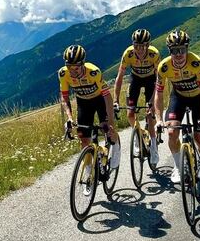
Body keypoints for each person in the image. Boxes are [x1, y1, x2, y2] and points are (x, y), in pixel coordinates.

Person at [154, 29, 200, 185]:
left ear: (187, 49)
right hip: (178, 97)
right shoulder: (163, 67)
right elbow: (158, 93)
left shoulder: (196, 63)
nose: (179, 54)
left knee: (199, 137)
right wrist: (158, 119)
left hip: (196, 98)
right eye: (174, 50)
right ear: (169, 51)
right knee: (172, 132)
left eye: (182, 50)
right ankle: (178, 167)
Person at [58, 45, 118, 195]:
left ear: (83, 64)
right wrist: (70, 118)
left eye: (76, 67)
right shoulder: (63, 74)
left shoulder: (93, 72)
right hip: (83, 103)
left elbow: (107, 96)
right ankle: (89, 173)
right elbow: (64, 98)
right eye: (69, 66)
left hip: (100, 101)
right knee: (84, 140)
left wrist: (110, 122)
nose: (72, 71)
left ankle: (115, 148)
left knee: (107, 129)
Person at [114, 29, 160, 165]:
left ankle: (153, 145)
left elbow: (159, 79)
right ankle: (137, 135)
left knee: (150, 114)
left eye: (143, 46)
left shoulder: (154, 54)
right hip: (135, 79)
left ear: (148, 45)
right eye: (136, 46)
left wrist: (152, 101)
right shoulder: (128, 54)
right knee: (130, 113)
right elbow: (119, 77)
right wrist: (116, 100)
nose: (139, 49)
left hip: (151, 80)